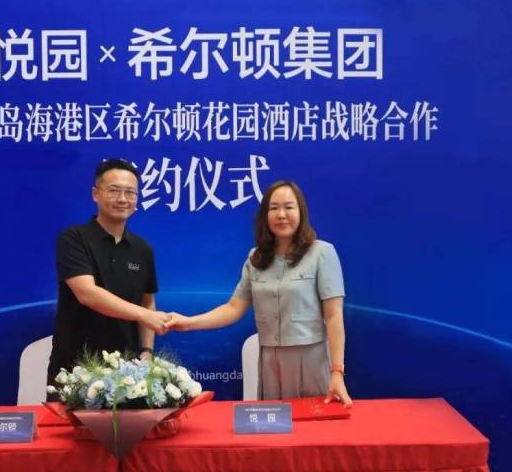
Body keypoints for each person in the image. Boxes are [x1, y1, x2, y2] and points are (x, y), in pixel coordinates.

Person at [167, 181, 352, 405]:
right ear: (265, 215)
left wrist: (337, 371)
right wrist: (189, 322)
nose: (281, 215)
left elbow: (333, 315)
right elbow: (233, 308)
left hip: (311, 359)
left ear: (301, 212)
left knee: (312, 422)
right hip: (270, 362)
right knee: (274, 424)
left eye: (289, 207)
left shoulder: (322, 252)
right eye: (274, 208)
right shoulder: (256, 258)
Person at [47, 158, 170, 396]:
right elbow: (87, 293)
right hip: (75, 370)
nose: (122, 199)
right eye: (114, 191)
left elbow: (147, 302)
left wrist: (146, 351)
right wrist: (144, 315)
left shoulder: (142, 249)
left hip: (128, 376)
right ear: (96, 194)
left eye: (130, 193)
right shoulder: (73, 239)